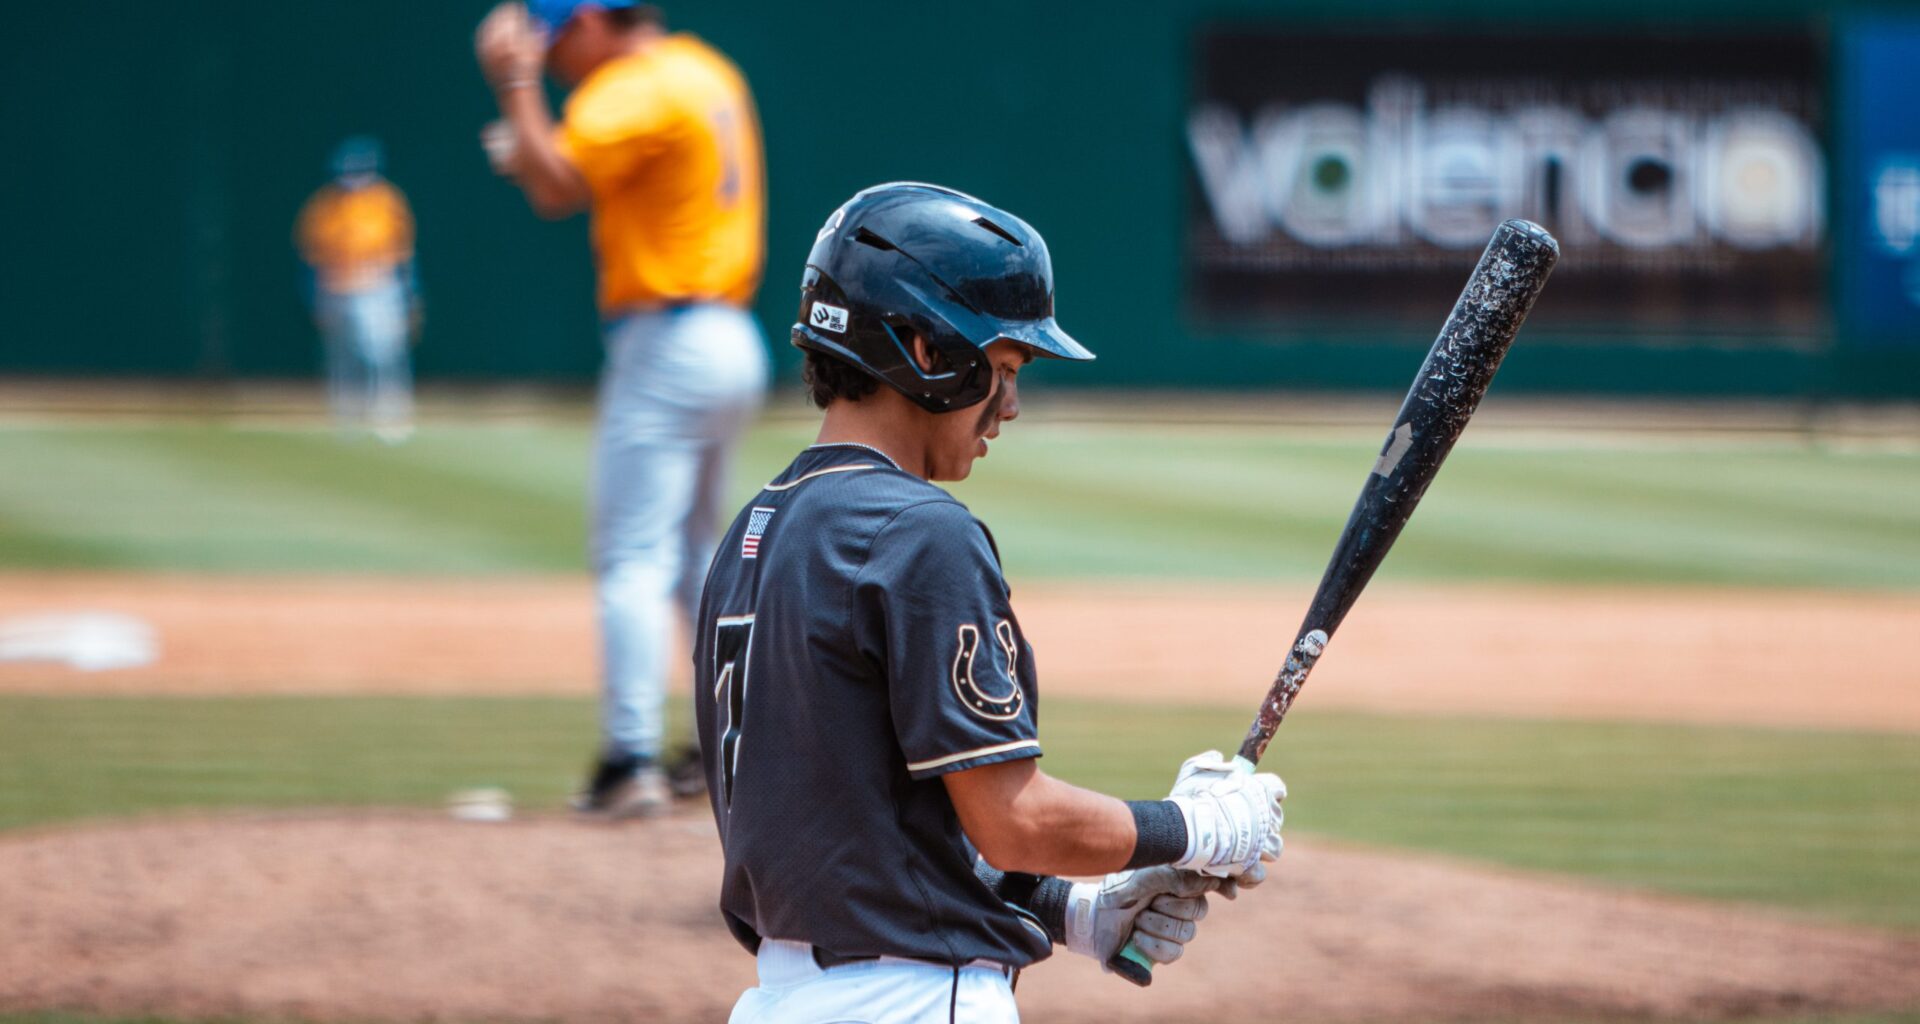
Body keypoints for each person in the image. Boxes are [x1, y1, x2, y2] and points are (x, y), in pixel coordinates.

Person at [693, 182, 1288, 1023]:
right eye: (1003, 369)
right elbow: (1014, 819)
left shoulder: (756, 529)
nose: (1008, 407)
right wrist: (1194, 826)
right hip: (912, 1004)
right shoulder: (918, 530)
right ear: (925, 351)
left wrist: (1070, 913)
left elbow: (848, 820)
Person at [475, 0, 769, 817]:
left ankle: (629, 757)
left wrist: (515, 83)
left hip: (668, 338)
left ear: (599, 20)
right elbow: (558, 174)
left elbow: (556, 185)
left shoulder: (633, 86)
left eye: (558, 31)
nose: (555, 48)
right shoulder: (706, 69)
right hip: (729, 333)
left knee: (633, 557)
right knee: (699, 559)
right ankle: (734, 745)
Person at [295, 137, 420, 443]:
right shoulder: (325, 204)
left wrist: (409, 294)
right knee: (342, 356)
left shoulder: (387, 201)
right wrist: (315, 297)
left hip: (377, 284)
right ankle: (346, 415)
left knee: (384, 353)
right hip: (337, 286)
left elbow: (404, 253)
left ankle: (390, 415)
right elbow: (311, 257)